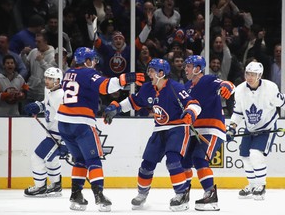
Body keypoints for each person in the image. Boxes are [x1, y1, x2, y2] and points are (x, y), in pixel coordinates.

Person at [103, 58, 202, 212]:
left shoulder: (175, 87)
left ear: (161, 73)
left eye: (152, 70)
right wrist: (115, 108)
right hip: (159, 129)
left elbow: (194, 103)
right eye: (149, 70)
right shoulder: (148, 88)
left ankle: (182, 194)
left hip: (178, 128)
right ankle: (142, 194)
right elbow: (134, 101)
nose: (149, 73)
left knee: (173, 161)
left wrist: (191, 112)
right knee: (146, 164)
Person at [56, 47, 145, 212]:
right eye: (93, 60)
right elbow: (105, 87)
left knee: (79, 159)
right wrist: (125, 78)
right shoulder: (88, 73)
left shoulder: (68, 72)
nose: (95, 63)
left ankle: (76, 195)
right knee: (93, 159)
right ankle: (99, 196)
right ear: (87, 61)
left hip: (63, 123)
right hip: (81, 123)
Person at [181, 55, 235, 211]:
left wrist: (228, 88)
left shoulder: (209, 80)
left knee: (199, 158)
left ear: (198, 68)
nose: (186, 68)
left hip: (212, 128)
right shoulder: (186, 86)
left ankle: (211, 195)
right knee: (183, 162)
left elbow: (227, 84)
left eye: (189, 66)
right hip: (194, 130)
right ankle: (183, 193)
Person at [226, 61, 284, 200]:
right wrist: (232, 128)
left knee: (255, 154)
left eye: (254, 74)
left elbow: (282, 103)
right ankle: (252, 185)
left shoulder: (270, 88)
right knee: (245, 156)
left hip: (267, 127)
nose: (250, 77)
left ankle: (261, 186)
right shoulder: (239, 90)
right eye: (248, 74)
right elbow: (238, 112)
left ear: (260, 75)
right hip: (250, 128)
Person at [23, 67, 67, 197]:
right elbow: (47, 103)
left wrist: (66, 141)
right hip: (52, 134)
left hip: (58, 136)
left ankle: (40, 187)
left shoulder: (61, 96)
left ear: (58, 80)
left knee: (36, 158)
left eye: (50, 79)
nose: (47, 81)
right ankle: (56, 185)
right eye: (46, 78)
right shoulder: (49, 90)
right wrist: (39, 106)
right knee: (51, 160)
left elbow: (67, 118)